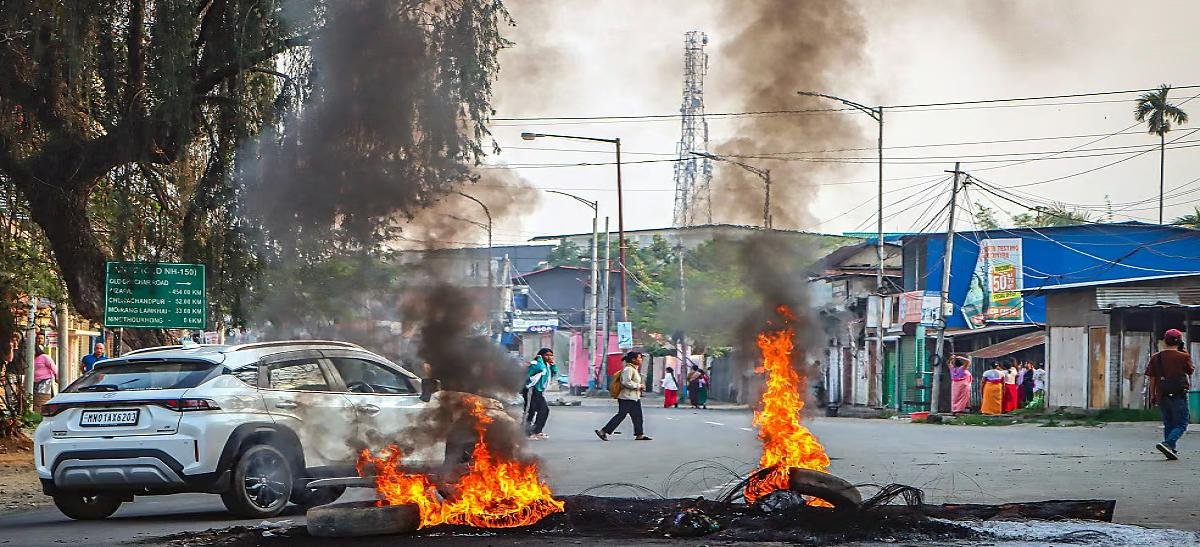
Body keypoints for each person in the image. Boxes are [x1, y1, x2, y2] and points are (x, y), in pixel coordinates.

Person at [1144, 329, 1194, 460]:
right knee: (1182, 423)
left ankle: (1170, 449)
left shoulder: (1156, 357)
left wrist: (1153, 395)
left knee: (1169, 423)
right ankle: (1169, 444)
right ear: (1180, 342)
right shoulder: (1183, 357)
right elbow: (1190, 371)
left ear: (1165, 341)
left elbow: (1152, 378)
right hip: (1179, 394)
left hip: (1162, 394)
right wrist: (1185, 352)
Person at [595, 351, 652, 441]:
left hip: (634, 397)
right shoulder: (628, 369)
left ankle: (639, 434)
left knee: (637, 416)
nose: (641, 360)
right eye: (639, 358)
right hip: (627, 397)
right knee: (621, 415)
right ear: (633, 359)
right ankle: (603, 431)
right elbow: (625, 382)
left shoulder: (634, 369)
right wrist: (638, 386)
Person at [523, 348, 555, 440]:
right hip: (531, 389)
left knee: (544, 410)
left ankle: (537, 431)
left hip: (539, 391)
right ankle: (525, 433)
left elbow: (554, 373)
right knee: (530, 411)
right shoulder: (536, 363)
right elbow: (539, 369)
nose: (549, 357)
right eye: (546, 355)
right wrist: (539, 359)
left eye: (551, 355)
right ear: (541, 355)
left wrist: (553, 365)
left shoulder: (547, 365)